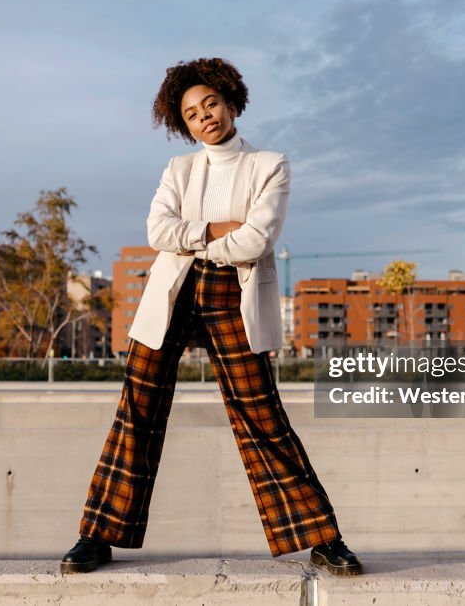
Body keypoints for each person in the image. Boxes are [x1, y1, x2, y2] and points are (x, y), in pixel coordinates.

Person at [60, 57, 362, 576]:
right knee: (138, 406)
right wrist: (216, 231)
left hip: (233, 295)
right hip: (172, 292)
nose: (205, 117)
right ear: (183, 124)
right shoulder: (179, 170)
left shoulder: (270, 164)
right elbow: (158, 232)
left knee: (261, 413)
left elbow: (258, 238)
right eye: (192, 112)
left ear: (230, 100)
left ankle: (323, 537)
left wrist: (198, 235)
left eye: (211, 104)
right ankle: (97, 535)